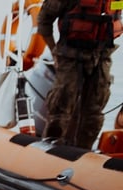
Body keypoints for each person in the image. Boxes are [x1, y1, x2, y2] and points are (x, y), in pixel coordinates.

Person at [37, 0, 121, 149]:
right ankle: (51, 147)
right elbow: (44, 20)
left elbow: (115, 18)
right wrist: (53, 50)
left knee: (95, 110)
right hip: (70, 56)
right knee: (62, 103)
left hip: (101, 56)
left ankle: (84, 151)